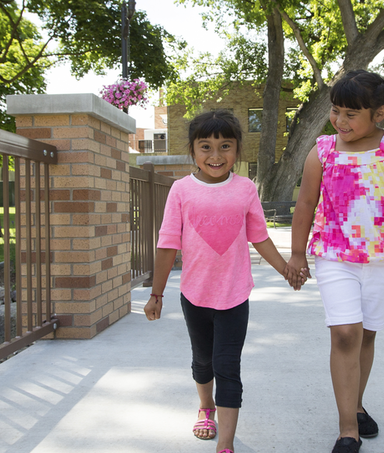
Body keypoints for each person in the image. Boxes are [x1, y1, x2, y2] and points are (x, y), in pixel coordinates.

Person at [285, 70, 384, 453]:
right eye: (336, 111)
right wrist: (297, 254)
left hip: (380, 258)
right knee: (345, 333)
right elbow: (305, 202)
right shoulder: (323, 150)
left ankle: (357, 404)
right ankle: (347, 429)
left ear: (378, 113)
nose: (341, 120)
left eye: (351, 114)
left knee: (367, 334)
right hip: (334, 255)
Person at [143, 110, 302, 453]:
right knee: (203, 361)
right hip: (194, 296)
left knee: (227, 366)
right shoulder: (181, 190)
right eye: (206, 147)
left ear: (237, 149)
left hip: (234, 296)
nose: (215, 156)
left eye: (225, 146)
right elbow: (168, 243)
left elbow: (259, 236)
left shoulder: (245, 189)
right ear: (192, 150)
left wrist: (285, 269)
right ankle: (206, 407)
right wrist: (157, 294)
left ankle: (225, 444)